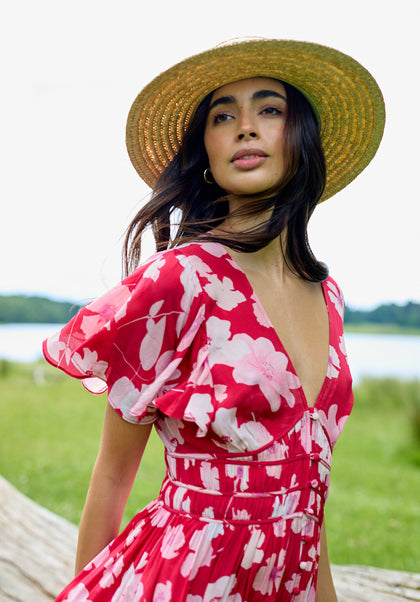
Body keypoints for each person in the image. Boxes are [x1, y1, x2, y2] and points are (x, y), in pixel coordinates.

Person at [43, 38, 385, 601]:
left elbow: (309, 495)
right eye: (223, 116)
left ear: (301, 137)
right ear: (205, 149)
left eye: (270, 109)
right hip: (184, 582)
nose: (246, 127)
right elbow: (110, 478)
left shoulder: (329, 297)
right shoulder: (178, 282)